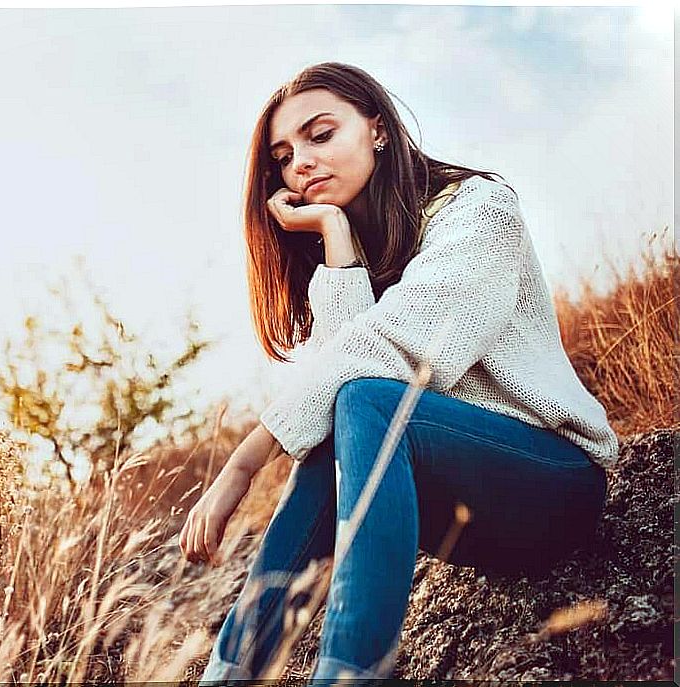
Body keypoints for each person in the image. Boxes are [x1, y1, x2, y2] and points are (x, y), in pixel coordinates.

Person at [177, 62, 618, 683]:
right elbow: (337, 383)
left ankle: (352, 674)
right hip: (464, 519)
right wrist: (335, 235)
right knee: (347, 410)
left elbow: (404, 351)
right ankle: (229, 674)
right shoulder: (366, 242)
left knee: (366, 399)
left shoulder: (480, 210)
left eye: (321, 134)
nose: (299, 161)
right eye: (283, 155)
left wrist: (243, 463)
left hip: (552, 485)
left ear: (377, 131)